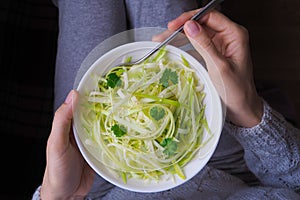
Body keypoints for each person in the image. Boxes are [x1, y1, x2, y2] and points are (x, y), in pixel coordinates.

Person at [33, 5, 300, 200]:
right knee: (168, 11)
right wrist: (248, 111)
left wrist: (59, 197)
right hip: (221, 158)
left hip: (95, 181)